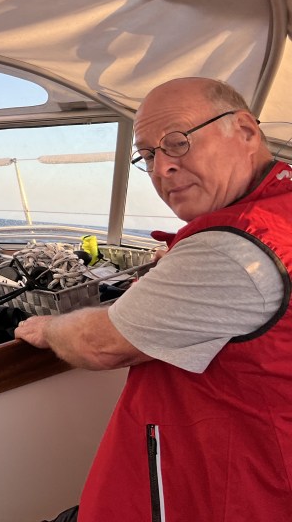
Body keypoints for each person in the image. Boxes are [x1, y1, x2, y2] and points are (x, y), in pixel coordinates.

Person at [15, 77, 292, 522]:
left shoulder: (233, 249)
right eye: (147, 154)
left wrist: (48, 328)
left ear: (245, 130)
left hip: (227, 492)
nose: (162, 168)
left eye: (178, 142)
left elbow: (99, 344)